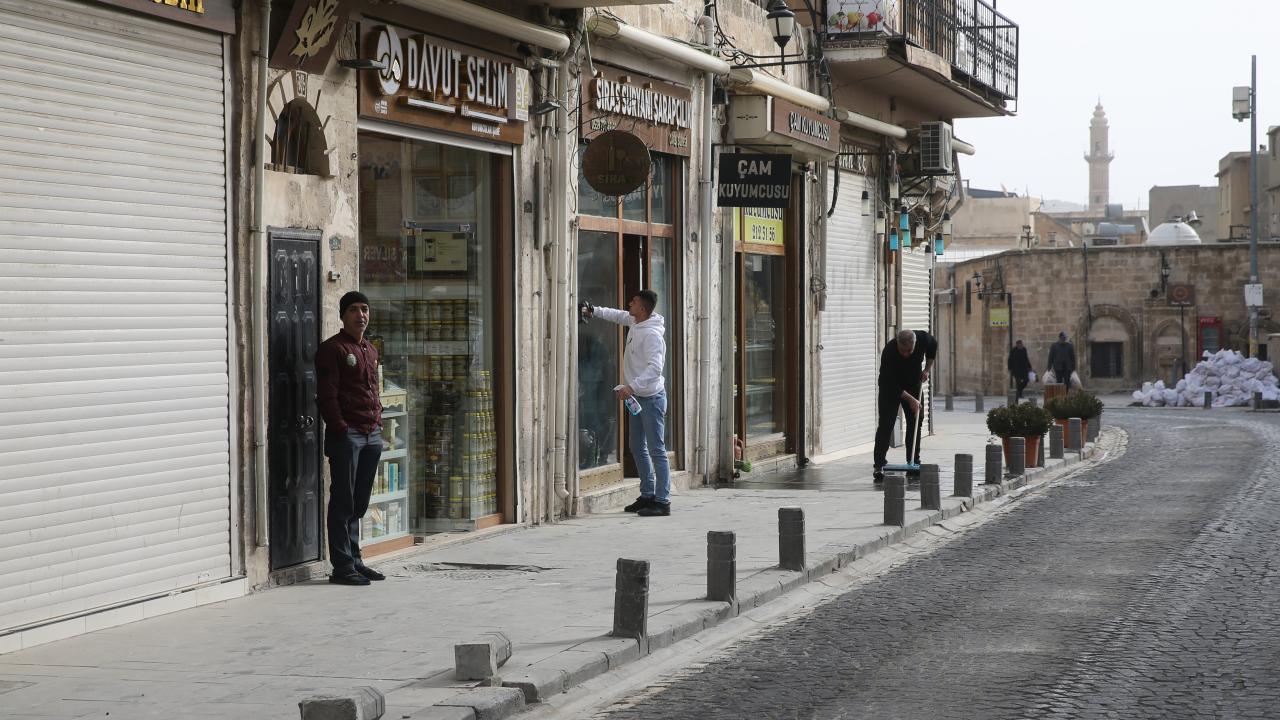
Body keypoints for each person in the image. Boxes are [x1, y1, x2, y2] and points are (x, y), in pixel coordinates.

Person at [315, 291, 385, 586]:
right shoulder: (333, 349)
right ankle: (342, 566)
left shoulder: (370, 349)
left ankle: (355, 560)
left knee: (359, 501)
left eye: (365, 309)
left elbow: (373, 388)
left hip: (372, 434)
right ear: (343, 315)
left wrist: (378, 421)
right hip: (349, 436)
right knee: (343, 500)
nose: (361, 315)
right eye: (355, 309)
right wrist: (341, 428)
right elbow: (327, 395)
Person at [582, 290, 670, 516]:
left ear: (642, 309)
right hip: (636, 398)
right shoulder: (635, 321)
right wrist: (594, 311)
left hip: (650, 398)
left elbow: (655, 368)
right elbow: (617, 315)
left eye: (634, 302)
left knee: (656, 449)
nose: (629, 304)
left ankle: (662, 501)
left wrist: (632, 386)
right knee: (637, 447)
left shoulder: (651, 335)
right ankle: (647, 494)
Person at [873, 329, 938, 483]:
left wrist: (927, 369)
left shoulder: (923, 339)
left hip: (913, 382)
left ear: (915, 345)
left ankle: (913, 461)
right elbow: (890, 384)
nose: (906, 354)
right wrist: (911, 400)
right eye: (902, 350)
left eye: (910, 351)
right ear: (897, 344)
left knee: (916, 420)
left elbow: (933, 346)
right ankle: (879, 464)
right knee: (886, 423)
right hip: (891, 387)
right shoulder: (889, 352)